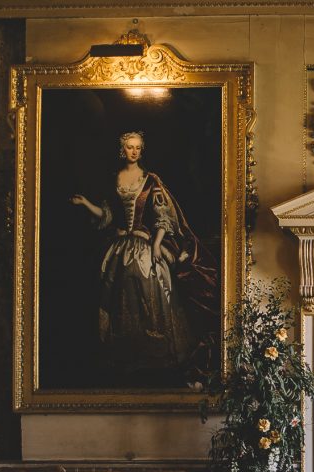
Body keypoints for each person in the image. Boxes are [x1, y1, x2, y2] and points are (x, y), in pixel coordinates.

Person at [71, 131, 214, 385]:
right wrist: (85, 204)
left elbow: (163, 216)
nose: (134, 151)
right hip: (119, 247)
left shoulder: (150, 180)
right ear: (122, 150)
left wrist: (157, 244)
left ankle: (153, 356)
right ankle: (125, 355)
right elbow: (106, 216)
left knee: (149, 291)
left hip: (144, 246)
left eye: (138, 147)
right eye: (129, 147)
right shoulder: (114, 179)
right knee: (118, 297)